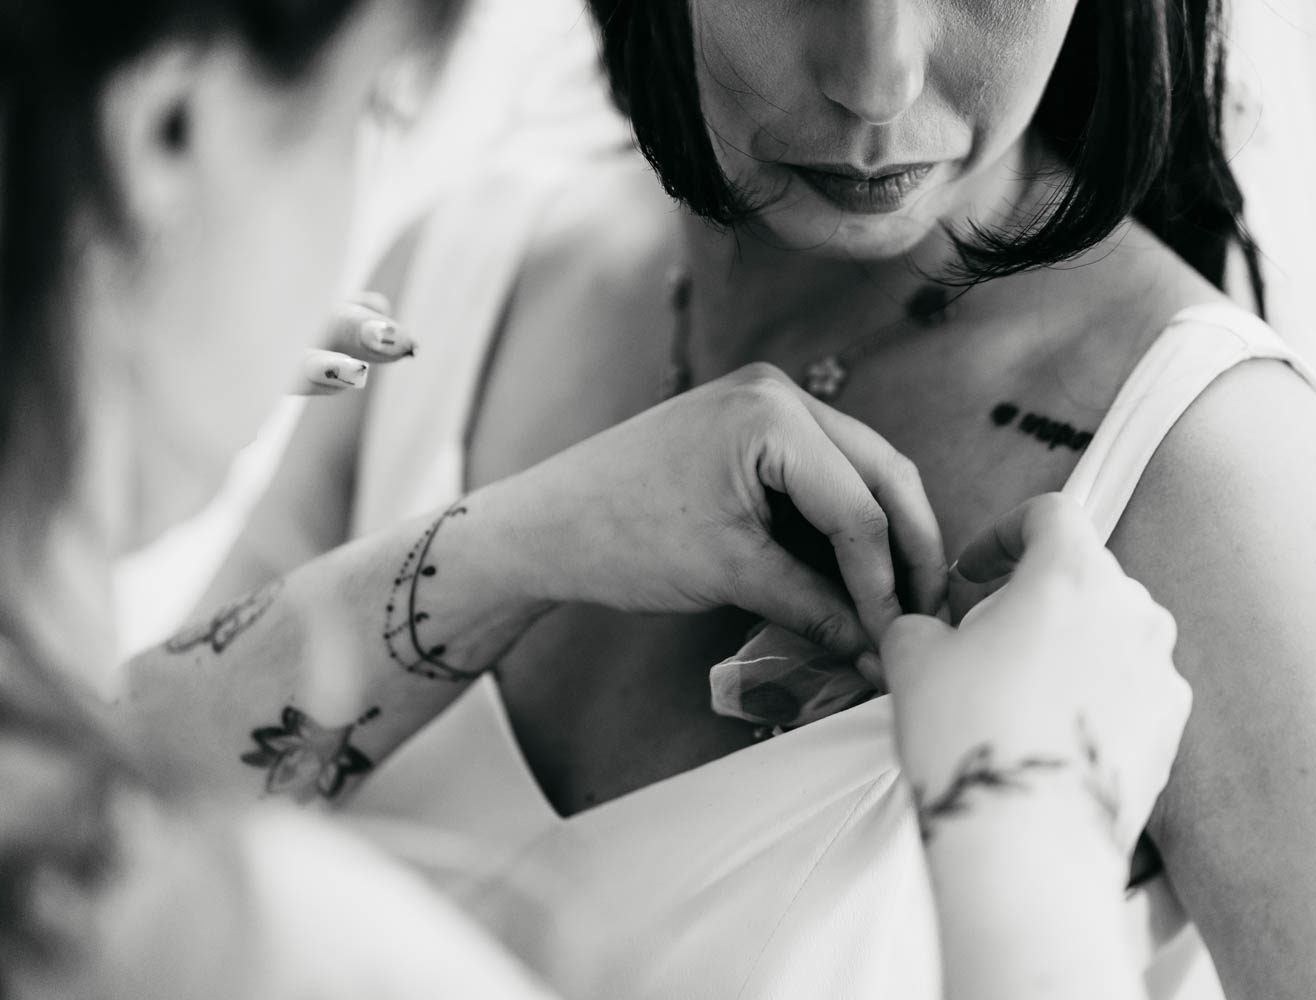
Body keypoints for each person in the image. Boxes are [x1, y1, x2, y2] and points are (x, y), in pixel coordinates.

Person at [191, 0, 1316, 997]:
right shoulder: (467, 274)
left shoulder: (1215, 479)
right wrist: (511, 548)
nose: (878, 79)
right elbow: (117, 849)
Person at [0, 0, 1194, 996]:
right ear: (164, 132)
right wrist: (1028, 831)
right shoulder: (256, 937)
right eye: (370, 110)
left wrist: (508, 548)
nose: (879, 80)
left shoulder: (1199, 452)